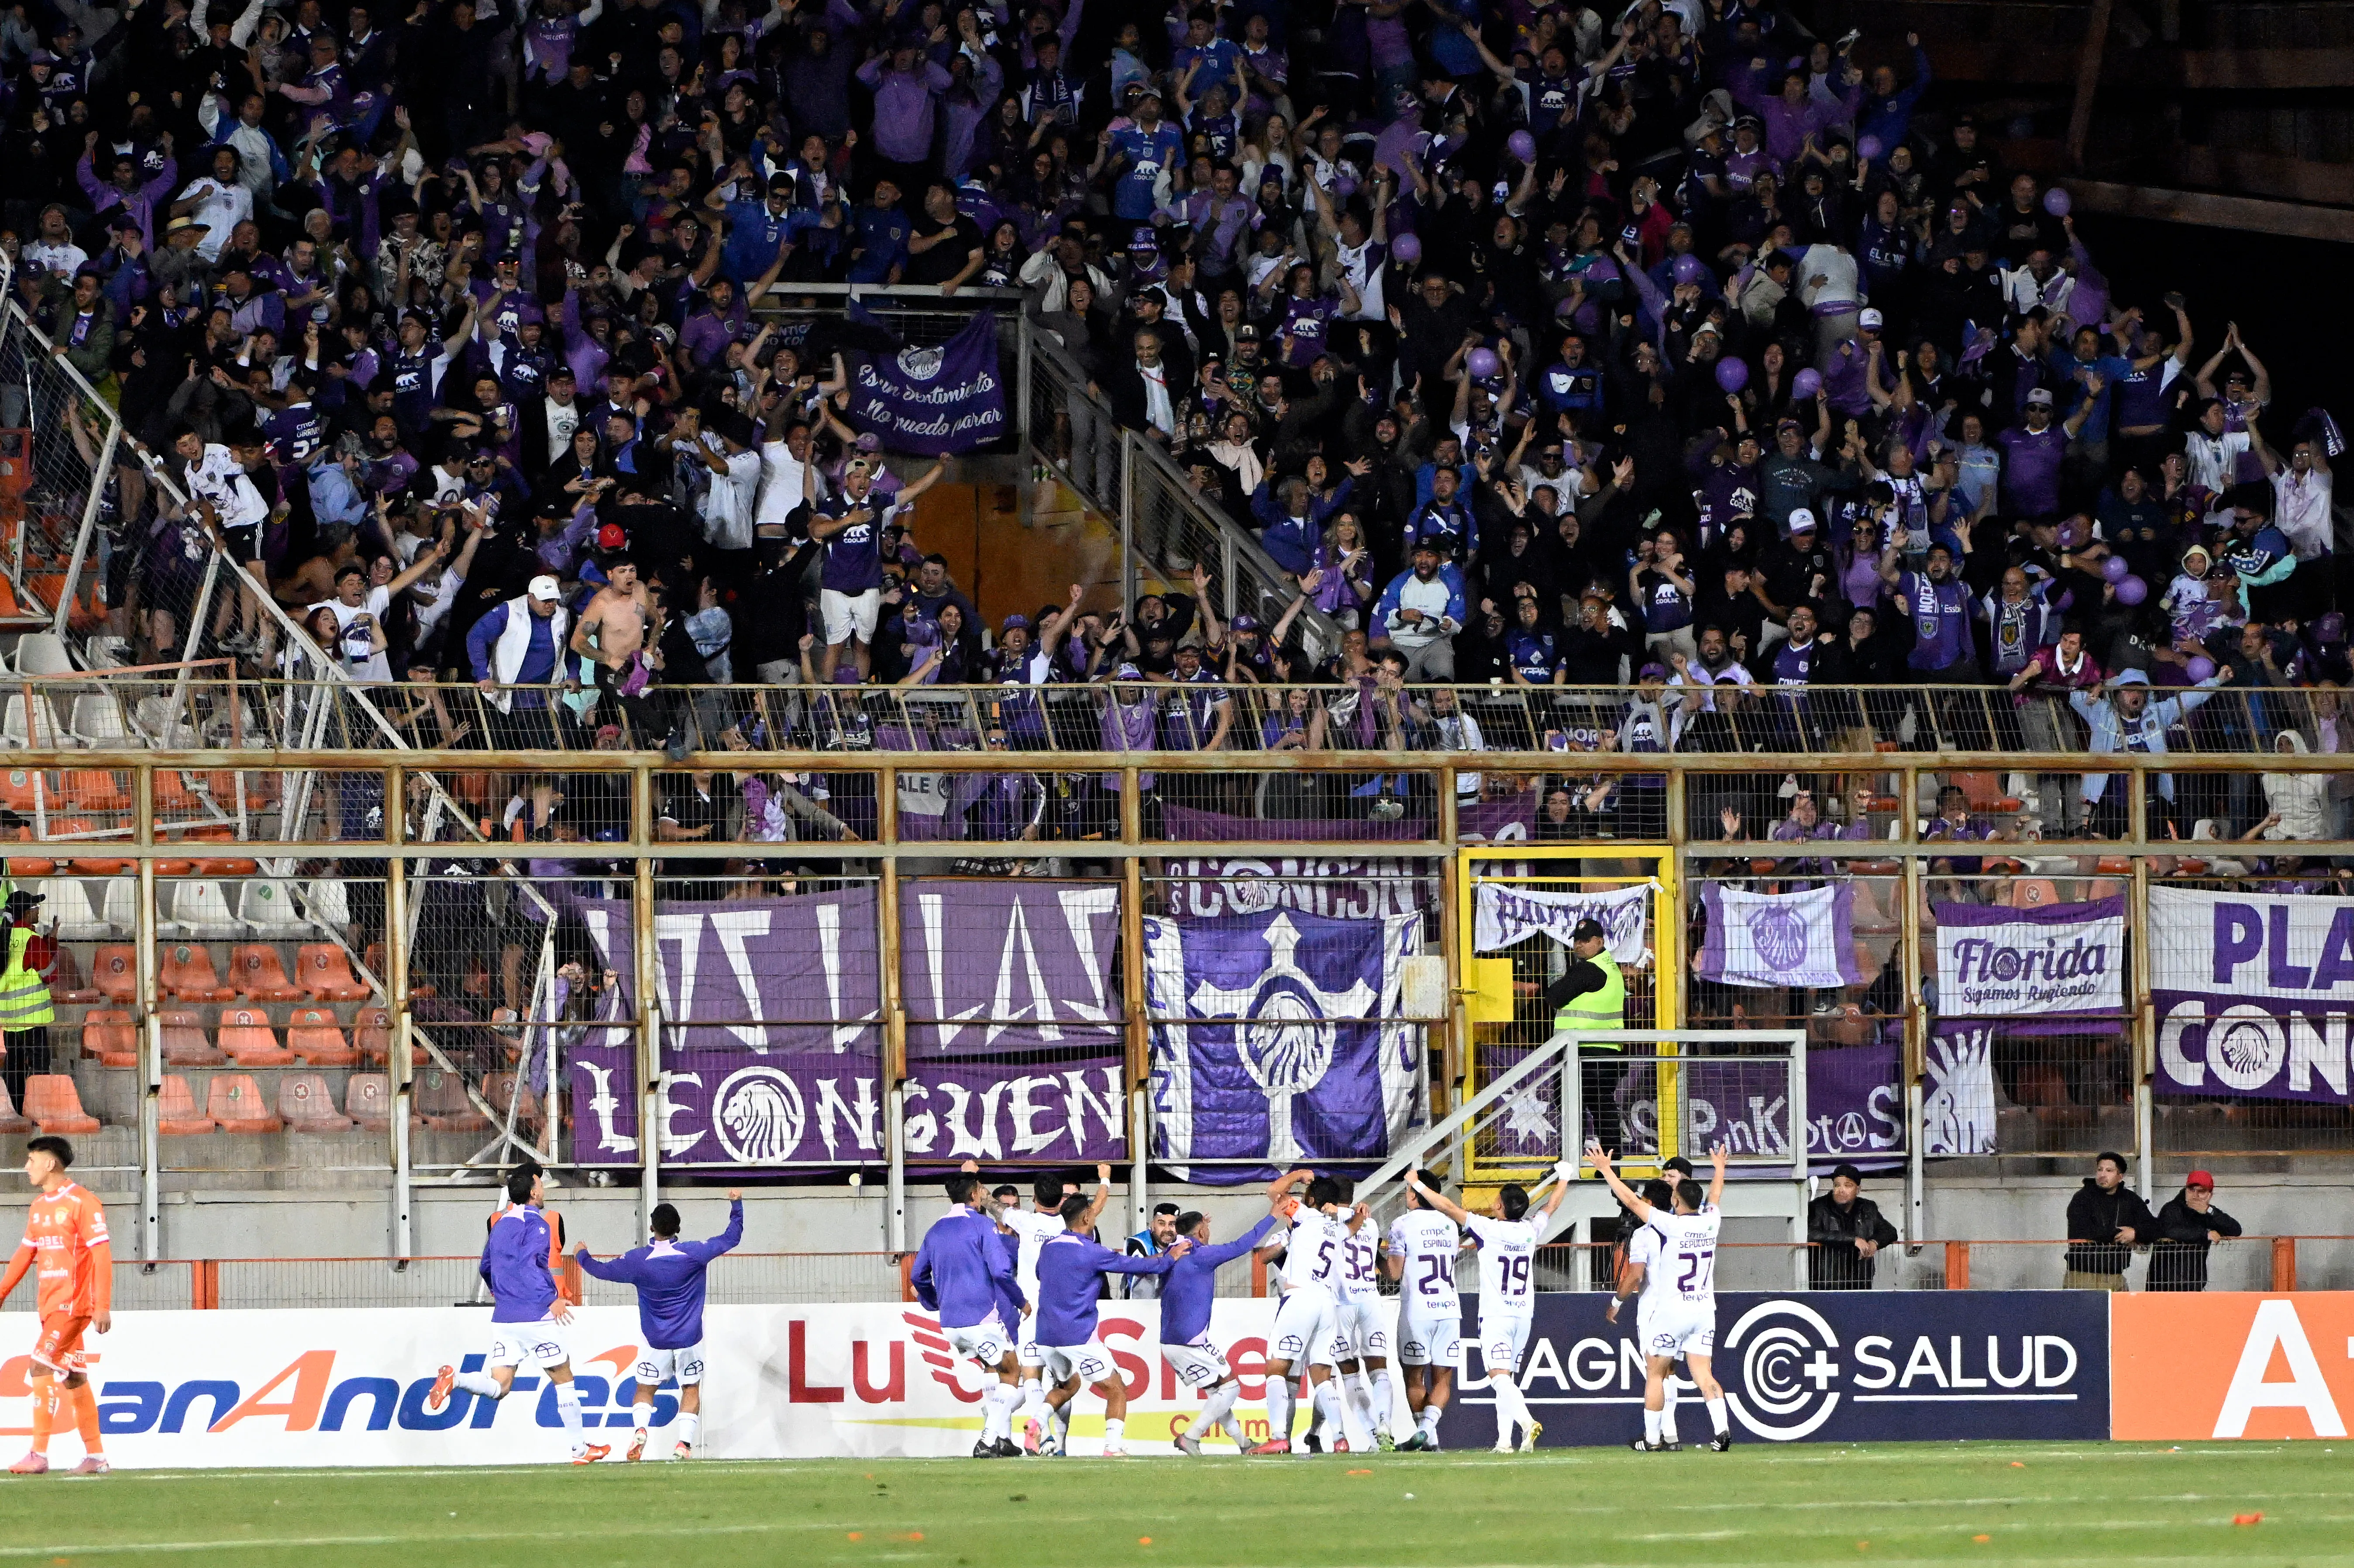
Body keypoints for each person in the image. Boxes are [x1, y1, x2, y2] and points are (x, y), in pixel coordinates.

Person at [426, 1168, 609, 1464]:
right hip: (535, 1316)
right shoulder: (537, 1223)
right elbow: (529, 1266)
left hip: (505, 1318)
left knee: (500, 1387)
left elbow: (486, 1266)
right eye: (541, 1184)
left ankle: (455, 1379)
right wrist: (551, 1299)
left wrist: (501, 1294)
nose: (544, 1188)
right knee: (564, 1380)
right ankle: (580, 1449)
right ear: (534, 1193)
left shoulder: (499, 1224)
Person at [1404, 1161, 1573, 1454]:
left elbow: (1446, 1206)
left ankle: (1527, 1422)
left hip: (1497, 1315)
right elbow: (1553, 1206)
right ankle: (1504, 1443)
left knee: (1498, 1376)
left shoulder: (1488, 1229)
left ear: (1501, 1207)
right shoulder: (1531, 1230)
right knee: (1506, 1379)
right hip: (1524, 1314)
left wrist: (1418, 1185)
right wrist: (1566, 1177)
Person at [575, 1191, 744, 1461]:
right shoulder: (694, 1253)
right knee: (690, 1389)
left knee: (644, 1389)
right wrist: (736, 1204)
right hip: (690, 1338)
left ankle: (641, 1429)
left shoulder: (637, 1260)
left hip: (655, 1341)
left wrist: (582, 1256)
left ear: (652, 1227)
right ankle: (683, 1445)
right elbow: (731, 1238)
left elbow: (602, 1271)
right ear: (678, 1228)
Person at [1591, 1142, 1734, 1453]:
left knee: (1655, 1374)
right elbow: (1716, 1196)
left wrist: (1605, 1170)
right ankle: (1722, 1431)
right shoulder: (1712, 1220)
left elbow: (1631, 1201)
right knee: (1703, 1374)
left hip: (1672, 1311)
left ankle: (1654, 1440)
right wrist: (1720, 1168)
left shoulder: (1670, 1225)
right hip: (1704, 1311)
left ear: (1675, 1199)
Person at [1031, 1193, 1183, 1458]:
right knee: (1117, 1390)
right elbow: (1138, 1265)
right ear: (1086, 1217)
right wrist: (1171, 1258)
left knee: (1068, 1386)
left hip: (1045, 1336)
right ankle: (1112, 1447)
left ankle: (1037, 1422)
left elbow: (1038, 1274)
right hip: (1077, 1335)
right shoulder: (1091, 1252)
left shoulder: (1049, 1247)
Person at [0, 1136, 111, 1475]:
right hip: (50, 1307)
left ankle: (39, 1454)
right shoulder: (39, 1207)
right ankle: (97, 1458)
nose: (26, 1166)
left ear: (50, 1163)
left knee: (39, 1367)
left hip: (72, 1306)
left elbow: (102, 1253)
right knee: (74, 1378)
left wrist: (102, 1304)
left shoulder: (83, 1202)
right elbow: (25, 1254)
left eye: (32, 1160)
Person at [988, 1163, 1111, 1452]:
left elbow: (992, 1204)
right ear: (1062, 1200)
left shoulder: (1025, 1222)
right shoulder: (1069, 1225)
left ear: (1034, 1199)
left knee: (1031, 1376)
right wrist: (1105, 1177)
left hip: (1030, 1313)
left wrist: (973, 1178)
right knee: (1067, 1384)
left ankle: (1043, 1437)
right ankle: (1056, 1441)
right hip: (1062, 1314)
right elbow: (1098, 1206)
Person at [909, 1169, 1029, 1458]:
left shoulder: (935, 1229)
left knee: (994, 1368)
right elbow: (1001, 1270)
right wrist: (1020, 1301)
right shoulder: (981, 1226)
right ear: (975, 1195)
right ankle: (988, 1440)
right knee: (1014, 1372)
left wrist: (936, 1302)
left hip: (951, 1324)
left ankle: (1002, 1438)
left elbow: (917, 1275)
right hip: (981, 1319)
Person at [1247, 1169, 1367, 1455]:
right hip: (1326, 1304)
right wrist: (1359, 1213)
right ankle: (1340, 1438)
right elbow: (1354, 1225)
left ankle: (1278, 1437)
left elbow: (1275, 1193)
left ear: (1311, 1199)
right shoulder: (1337, 1228)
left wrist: (1298, 1174)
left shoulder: (1304, 1215)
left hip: (1299, 1298)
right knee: (1322, 1376)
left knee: (1276, 1370)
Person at [1163, 1192, 1284, 1455]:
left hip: (1171, 1342)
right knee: (1232, 1387)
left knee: (1219, 1392)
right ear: (1201, 1232)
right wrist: (1273, 1216)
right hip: (1190, 1341)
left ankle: (1243, 1444)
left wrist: (1196, 1225)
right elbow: (1244, 1244)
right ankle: (1191, 1437)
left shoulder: (1173, 1251)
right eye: (1206, 1229)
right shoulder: (1201, 1254)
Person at [1386, 1168, 1465, 1452]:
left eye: (1408, 1191)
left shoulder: (1401, 1225)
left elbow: (1394, 1273)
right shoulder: (1450, 1225)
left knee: (1414, 1376)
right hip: (1449, 1308)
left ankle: (1425, 1433)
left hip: (1417, 1310)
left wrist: (1376, 1261)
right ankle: (1429, 1435)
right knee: (1443, 1377)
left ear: (1416, 1195)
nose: (1406, 1195)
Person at [1543, 918, 1626, 1158]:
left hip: (1585, 1051)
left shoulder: (1590, 969)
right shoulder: (1611, 967)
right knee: (1602, 1108)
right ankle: (1610, 1165)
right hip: (1603, 1050)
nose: (1579, 946)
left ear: (1599, 941)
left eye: (1585, 940)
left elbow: (1554, 996)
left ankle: (1569, 1163)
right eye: (1576, 941)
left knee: (1572, 1107)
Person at [2063, 1151, 2158, 1290]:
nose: (2102, 1174)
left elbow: (2154, 1227)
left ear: (2120, 1177)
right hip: (2082, 1274)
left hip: (2115, 1276)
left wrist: (2135, 1233)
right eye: (2100, 1170)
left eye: (2109, 1170)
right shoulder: (2082, 1198)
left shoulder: (2130, 1200)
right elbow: (2082, 1231)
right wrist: (2121, 1235)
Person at [0, 890, 58, 1110]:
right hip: (33, 1018)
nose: (38, 911)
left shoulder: (5, 937)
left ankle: (16, 1109)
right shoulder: (31, 940)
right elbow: (50, 974)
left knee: (14, 1067)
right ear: (25, 913)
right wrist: (51, 942)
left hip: (11, 1019)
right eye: (34, 908)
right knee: (39, 1067)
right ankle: (39, 1109)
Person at [1807, 1163, 1900, 1289]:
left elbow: (1890, 1231)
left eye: (1848, 1185)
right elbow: (1811, 1233)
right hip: (1826, 1283)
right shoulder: (1818, 1207)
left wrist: (1874, 1242)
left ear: (1858, 1189)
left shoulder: (1868, 1208)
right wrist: (1853, 1240)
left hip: (1861, 1281)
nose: (1841, 1190)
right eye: (1837, 1185)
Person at [2149, 1170, 2242, 1292]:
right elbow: (2170, 1231)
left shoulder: (2208, 1213)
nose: (2195, 1195)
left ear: (2210, 1195)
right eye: (2191, 1190)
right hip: (2163, 1285)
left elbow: (2235, 1230)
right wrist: (2205, 1235)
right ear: (2186, 1190)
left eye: (2201, 1191)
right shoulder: (2172, 1208)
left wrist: (2209, 1211)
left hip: (2193, 1284)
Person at [1121, 1202, 1182, 1300]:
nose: (1167, 1229)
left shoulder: (1182, 1243)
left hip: (1171, 1307)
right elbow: (1136, 1267)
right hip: (1138, 1308)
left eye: (1172, 1224)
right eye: (1162, 1224)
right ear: (1153, 1225)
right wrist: (1168, 1255)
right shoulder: (1137, 1242)